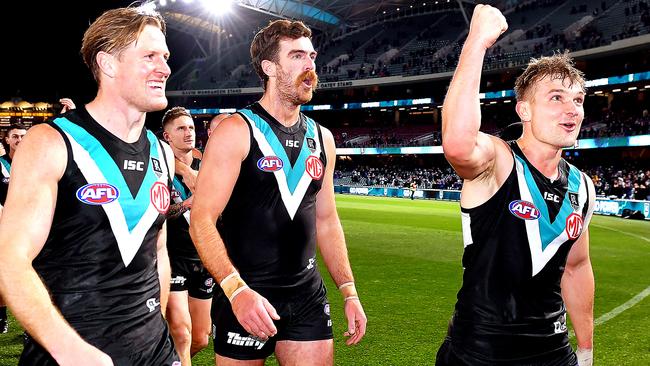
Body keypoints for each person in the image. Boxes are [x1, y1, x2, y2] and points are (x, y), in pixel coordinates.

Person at [0, 5, 180, 365]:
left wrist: (153, 326)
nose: (165, 68)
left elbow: (157, 251)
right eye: (149, 56)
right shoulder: (50, 143)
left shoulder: (164, 152)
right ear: (108, 64)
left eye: (165, 56)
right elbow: (9, 261)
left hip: (155, 350)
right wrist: (68, 349)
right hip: (70, 352)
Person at [189, 19, 367, 365]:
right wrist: (235, 290)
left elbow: (327, 220)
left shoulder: (322, 138)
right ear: (269, 67)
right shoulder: (235, 131)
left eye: (311, 56)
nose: (310, 66)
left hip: (307, 295)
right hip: (247, 292)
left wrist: (348, 289)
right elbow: (201, 219)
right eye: (297, 56)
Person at [437, 5, 595, 366]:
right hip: (482, 350)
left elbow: (577, 267)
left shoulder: (583, 187)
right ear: (524, 110)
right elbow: (458, 143)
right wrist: (476, 41)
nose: (572, 109)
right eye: (556, 97)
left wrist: (585, 351)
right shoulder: (498, 160)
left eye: (578, 100)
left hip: (554, 353)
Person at [162, 106, 214, 365]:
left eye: (191, 127)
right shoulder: (158, 167)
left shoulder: (207, 164)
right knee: (181, 333)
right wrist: (187, 203)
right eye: (180, 128)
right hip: (173, 259)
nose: (188, 132)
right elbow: (158, 213)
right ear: (167, 136)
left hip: (203, 259)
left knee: (201, 338)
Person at [0, 122, 27, 334]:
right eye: (15, 136)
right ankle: (2, 317)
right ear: (7, 139)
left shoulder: (33, 161)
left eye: (23, 136)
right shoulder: (0, 164)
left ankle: (31, 326)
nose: (19, 140)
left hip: (31, 225)